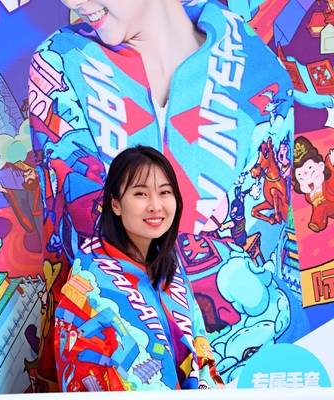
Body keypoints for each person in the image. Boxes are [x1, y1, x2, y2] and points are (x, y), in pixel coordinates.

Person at [29, 0, 297, 391]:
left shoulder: (256, 67)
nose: (72, 2)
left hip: (251, 372)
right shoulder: (61, 62)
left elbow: (266, 246)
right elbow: (87, 234)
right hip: (124, 369)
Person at [54, 145, 223, 391]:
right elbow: (84, 371)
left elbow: (199, 342)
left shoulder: (169, 264)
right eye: (141, 194)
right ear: (115, 204)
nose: (155, 205)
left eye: (164, 192)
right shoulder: (89, 281)